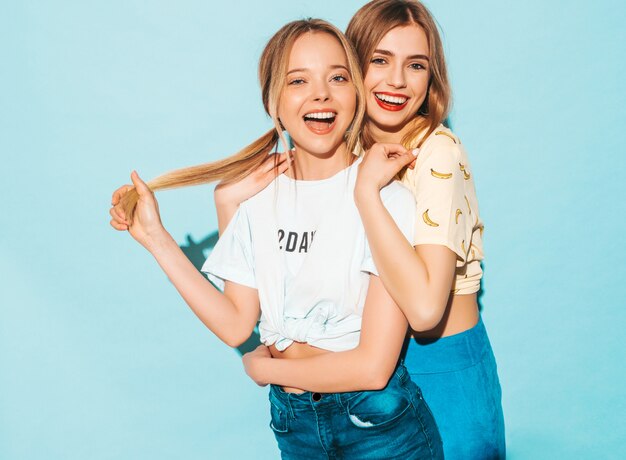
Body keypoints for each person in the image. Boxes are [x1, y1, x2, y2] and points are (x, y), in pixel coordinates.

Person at [110, 18, 443, 460]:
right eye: (298, 80)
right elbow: (234, 322)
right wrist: (156, 238)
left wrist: (262, 367)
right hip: (294, 426)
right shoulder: (257, 202)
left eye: (338, 77)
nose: (321, 93)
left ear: (357, 95)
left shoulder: (385, 198)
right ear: (274, 103)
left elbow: (373, 366)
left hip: (380, 427)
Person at [225, 2, 506, 458]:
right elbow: (276, 277)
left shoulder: (437, 154)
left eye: (416, 65)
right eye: (379, 60)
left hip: (441, 365)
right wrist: (229, 201)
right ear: (351, 70)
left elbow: (423, 310)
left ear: (431, 79)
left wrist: (365, 194)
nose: (397, 81)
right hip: (365, 378)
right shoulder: (341, 145)